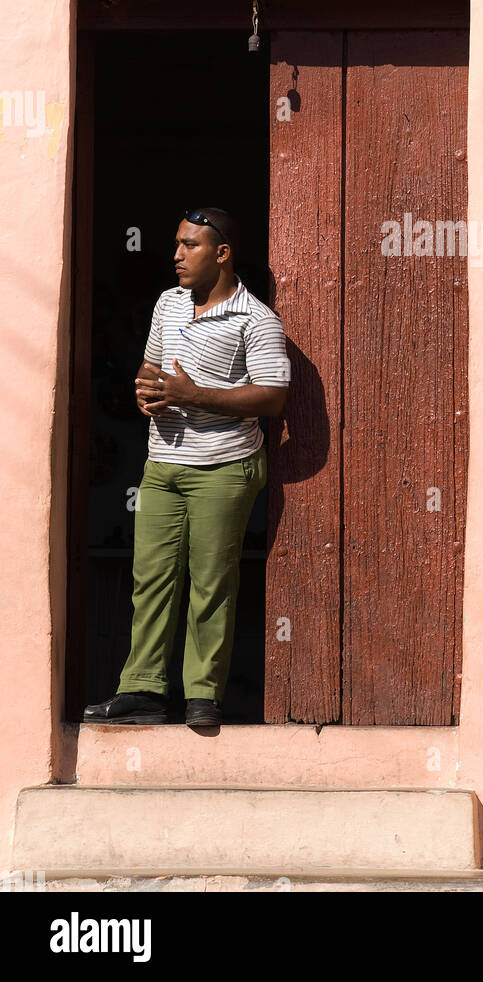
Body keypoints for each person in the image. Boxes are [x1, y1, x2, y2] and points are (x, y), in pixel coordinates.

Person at [83, 208, 290, 728]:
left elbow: (273, 397)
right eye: (176, 243)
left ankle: (203, 696)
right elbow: (151, 367)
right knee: (149, 580)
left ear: (222, 253)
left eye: (190, 245)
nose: (176, 255)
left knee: (211, 582)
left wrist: (194, 395)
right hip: (162, 466)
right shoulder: (167, 305)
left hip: (223, 467)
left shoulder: (256, 318)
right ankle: (143, 691)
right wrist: (147, 391)